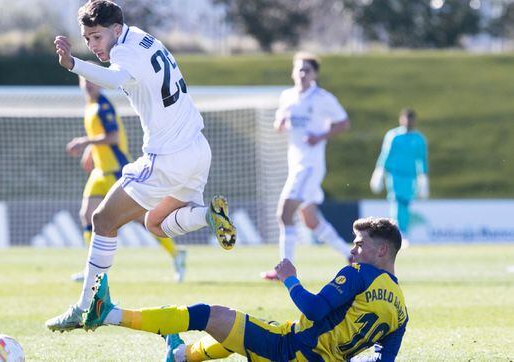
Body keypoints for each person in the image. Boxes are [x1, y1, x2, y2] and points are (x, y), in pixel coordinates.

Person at [46, 0, 236, 332]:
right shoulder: (144, 38)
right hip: (197, 149)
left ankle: (85, 306)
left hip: (166, 158)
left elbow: (114, 78)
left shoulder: (124, 53)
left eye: (97, 37)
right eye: (87, 39)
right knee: (157, 224)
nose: (94, 46)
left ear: (116, 30)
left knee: (102, 219)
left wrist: (72, 63)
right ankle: (207, 215)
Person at [81, 217, 408, 361]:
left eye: (359, 244)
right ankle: (180, 355)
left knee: (208, 314)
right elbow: (383, 359)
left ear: (382, 251)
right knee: (237, 333)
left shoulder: (360, 273)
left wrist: (290, 279)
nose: (353, 251)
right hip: (300, 347)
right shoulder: (401, 311)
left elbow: (314, 309)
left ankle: (108, 314)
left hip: (289, 350)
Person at [67, 75, 187, 283]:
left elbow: (113, 137)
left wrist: (85, 142)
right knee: (87, 214)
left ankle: (177, 255)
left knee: (143, 219)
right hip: (100, 172)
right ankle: (92, 271)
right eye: (84, 80)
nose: (88, 84)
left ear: (99, 82)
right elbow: (101, 137)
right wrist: (91, 152)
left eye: (92, 80)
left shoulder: (103, 107)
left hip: (115, 170)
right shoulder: (90, 106)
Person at [262, 52, 352, 281]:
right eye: (299, 69)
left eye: (307, 70)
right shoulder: (287, 96)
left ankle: (284, 269)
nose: (302, 74)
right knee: (311, 221)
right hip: (296, 164)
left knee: (284, 213)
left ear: (315, 75)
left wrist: (320, 136)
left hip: (310, 166)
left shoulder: (322, 98)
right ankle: (350, 254)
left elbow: (344, 123)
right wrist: (279, 124)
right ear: (293, 72)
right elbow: (278, 124)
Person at [370, 108, 429, 241]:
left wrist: (423, 177)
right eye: (406, 118)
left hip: (410, 176)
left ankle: (404, 232)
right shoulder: (394, 136)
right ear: (401, 119)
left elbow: (422, 159)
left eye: (411, 119)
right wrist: (379, 171)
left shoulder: (418, 139)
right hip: (394, 174)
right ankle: (397, 232)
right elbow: (385, 154)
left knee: (406, 202)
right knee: (396, 200)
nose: (408, 122)